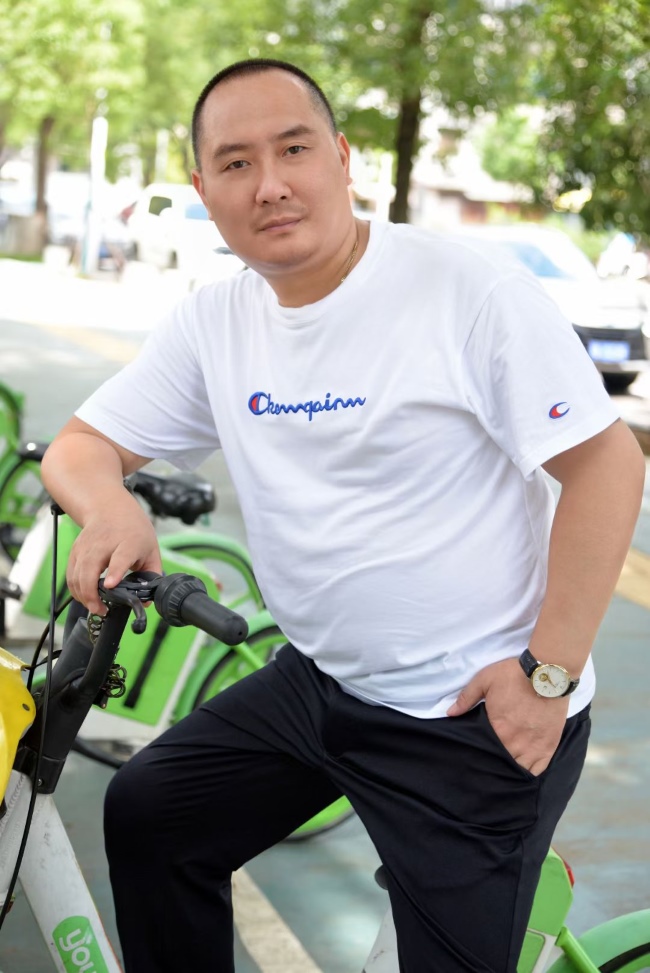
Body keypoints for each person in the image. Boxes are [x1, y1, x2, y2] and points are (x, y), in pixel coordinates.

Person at [41, 58, 645, 973]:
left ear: (342, 158)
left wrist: (548, 673)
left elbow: (607, 465)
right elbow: (80, 446)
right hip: (322, 685)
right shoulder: (216, 321)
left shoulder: (464, 292)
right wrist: (110, 505)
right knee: (152, 812)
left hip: (471, 713)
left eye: (294, 149)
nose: (270, 184)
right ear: (203, 191)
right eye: (237, 163)